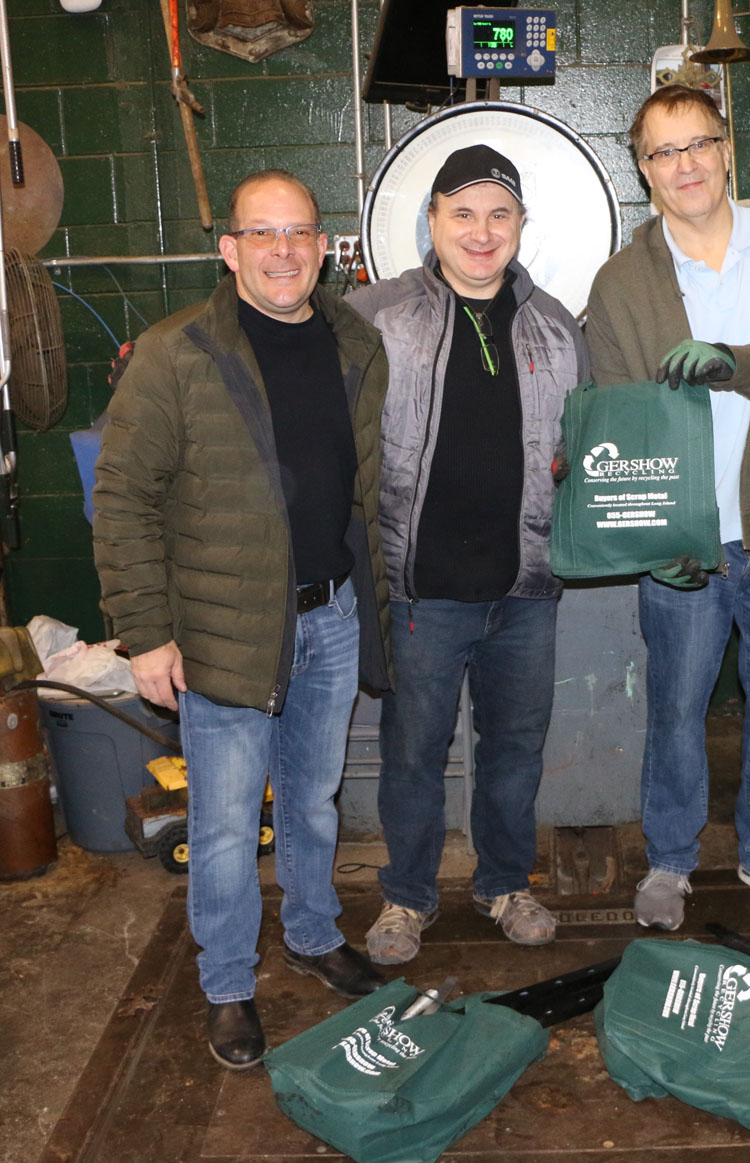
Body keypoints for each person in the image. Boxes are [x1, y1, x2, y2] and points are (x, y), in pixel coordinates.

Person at [92, 170, 392, 1069]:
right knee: (224, 824)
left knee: (311, 798)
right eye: (262, 234)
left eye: (299, 232)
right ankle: (227, 983)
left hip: (329, 615)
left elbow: (365, 484)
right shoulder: (175, 351)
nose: (283, 251)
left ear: (326, 249)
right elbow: (122, 499)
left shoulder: (353, 342)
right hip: (221, 628)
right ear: (229, 251)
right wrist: (146, 632)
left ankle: (310, 931)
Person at [585, 85, 750, 931]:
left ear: (727, 149)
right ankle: (669, 860)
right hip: (687, 541)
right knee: (676, 706)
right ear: (643, 168)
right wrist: (654, 532)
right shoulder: (623, 280)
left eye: (697, 144)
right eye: (663, 153)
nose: (684, 165)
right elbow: (619, 419)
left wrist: (735, 361)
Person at [346, 145, 589, 963]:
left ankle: (503, 883)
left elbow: (585, 454)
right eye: (463, 213)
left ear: (520, 225)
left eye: (498, 214)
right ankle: (406, 898)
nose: (481, 232)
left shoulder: (557, 326)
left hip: (525, 586)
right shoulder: (375, 316)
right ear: (433, 222)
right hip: (421, 590)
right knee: (414, 753)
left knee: (515, 749)